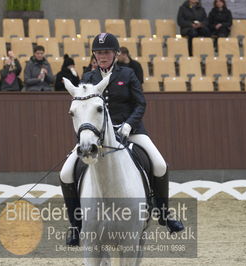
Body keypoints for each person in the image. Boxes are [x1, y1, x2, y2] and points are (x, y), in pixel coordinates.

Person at [60, 33, 184, 246]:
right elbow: (81, 111)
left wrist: (128, 125)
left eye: (107, 52)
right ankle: (76, 225)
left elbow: (140, 104)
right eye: (99, 53)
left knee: (160, 165)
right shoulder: (88, 78)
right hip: (97, 135)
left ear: (116, 53)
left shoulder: (128, 74)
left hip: (130, 130)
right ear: (94, 56)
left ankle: (164, 214)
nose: (103, 56)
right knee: (65, 173)